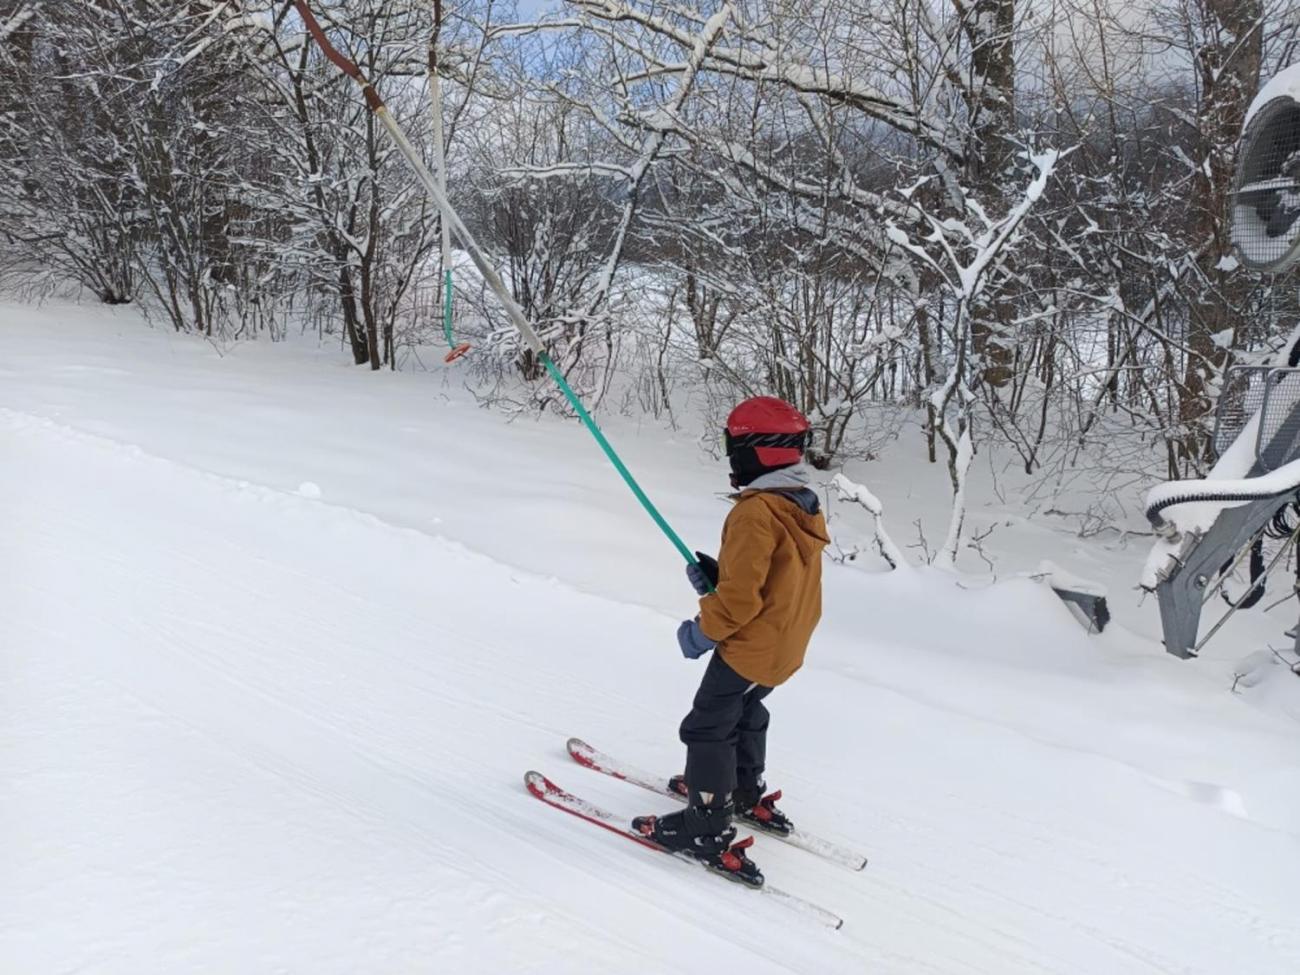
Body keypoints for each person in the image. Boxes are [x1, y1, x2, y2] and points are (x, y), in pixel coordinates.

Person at [632, 397, 829, 886]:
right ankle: (740, 788)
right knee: (745, 710)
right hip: (784, 646)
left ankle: (705, 823)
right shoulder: (800, 503)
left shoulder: (755, 513)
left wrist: (700, 631)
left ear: (758, 451)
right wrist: (724, 577)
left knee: (706, 727)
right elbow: (771, 580)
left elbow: (740, 606)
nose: (730, 456)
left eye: (733, 445)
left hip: (751, 647)